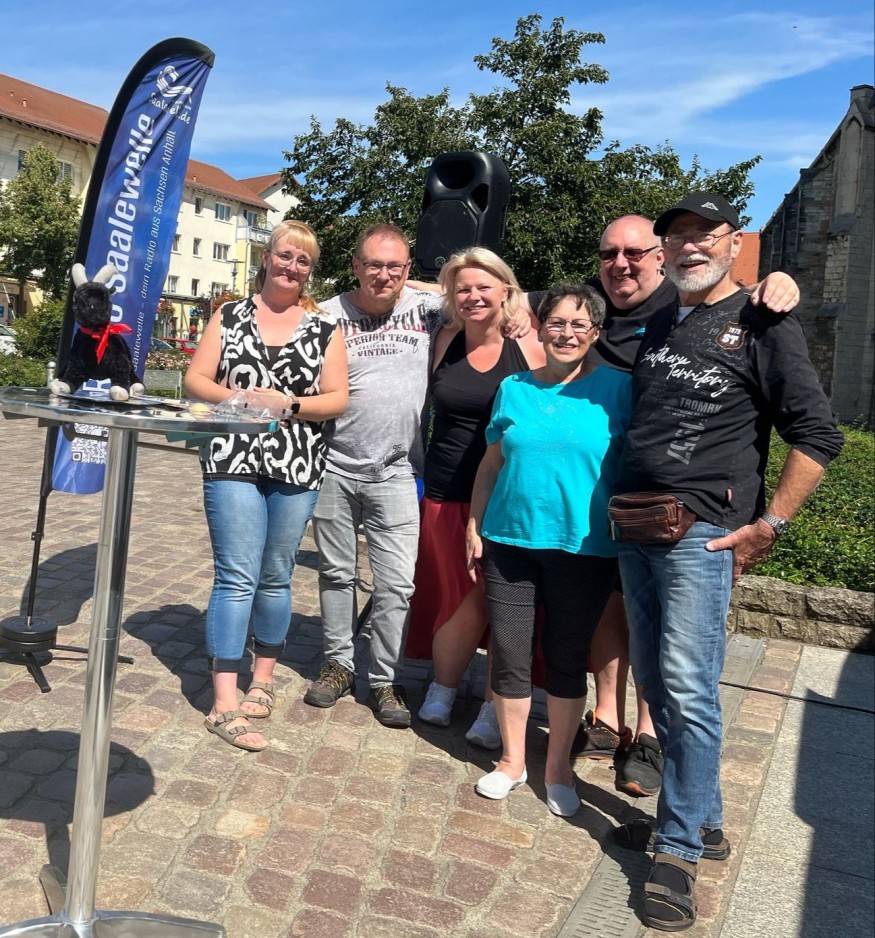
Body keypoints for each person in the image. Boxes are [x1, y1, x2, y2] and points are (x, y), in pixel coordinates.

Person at [611, 192, 843, 931]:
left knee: (687, 688)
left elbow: (817, 434)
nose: (689, 245)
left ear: (732, 242)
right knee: (655, 679)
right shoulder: (659, 320)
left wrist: (769, 524)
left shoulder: (765, 320)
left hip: (699, 535)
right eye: (676, 235)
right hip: (636, 525)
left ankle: (677, 850)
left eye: (703, 234)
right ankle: (701, 819)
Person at [522, 217, 800, 800]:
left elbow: (737, 306)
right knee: (613, 613)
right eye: (608, 254)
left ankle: (652, 743)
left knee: (678, 668)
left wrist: (777, 281)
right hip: (613, 499)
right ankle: (609, 717)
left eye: (634, 252)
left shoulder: (692, 307)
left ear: (659, 257)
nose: (620, 264)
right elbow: (499, 292)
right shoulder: (599, 310)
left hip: (686, 514)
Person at [466, 283, 633, 817]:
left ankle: (558, 769)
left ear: (595, 333)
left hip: (585, 549)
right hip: (509, 541)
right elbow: (491, 463)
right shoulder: (513, 387)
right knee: (510, 655)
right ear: (539, 328)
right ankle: (512, 761)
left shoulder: (619, 389)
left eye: (578, 325)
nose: (566, 333)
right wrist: (474, 523)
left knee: (565, 659)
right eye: (556, 323)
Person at [185, 220, 348, 752]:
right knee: (236, 575)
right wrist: (241, 402)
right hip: (232, 456)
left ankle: (264, 678)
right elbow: (195, 379)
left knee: (276, 575)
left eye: (303, 260)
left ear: (309, 270)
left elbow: (337, 399)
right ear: (266, 258)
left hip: (297, 463)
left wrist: (288, 404)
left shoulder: (324, 329)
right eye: (284, 255)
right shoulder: (230, 315)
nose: (291, 266)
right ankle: (223, 701)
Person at [302, 224, 444, 728]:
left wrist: (417, 283)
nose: (383, 275)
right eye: (373, 265)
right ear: (355, 266)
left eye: (394, 266)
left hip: (398, 471)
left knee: (396, 586)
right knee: (336, 574)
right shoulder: (326, 315)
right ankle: (339, 664)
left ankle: (384, 678)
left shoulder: (428, 309)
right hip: (334, 466)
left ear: (408, 269)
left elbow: (485, 290)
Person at [406, 248, 544, 749]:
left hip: (506, 498)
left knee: (496, 600)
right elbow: (405, 285)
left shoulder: (529, 343)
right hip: (445, 492)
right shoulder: (445, 336)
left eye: (484, 287)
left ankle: (493, 702)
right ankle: (443, 687)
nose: (473, 296)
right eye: (462, 288)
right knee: (451, 596)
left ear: (506, 289)